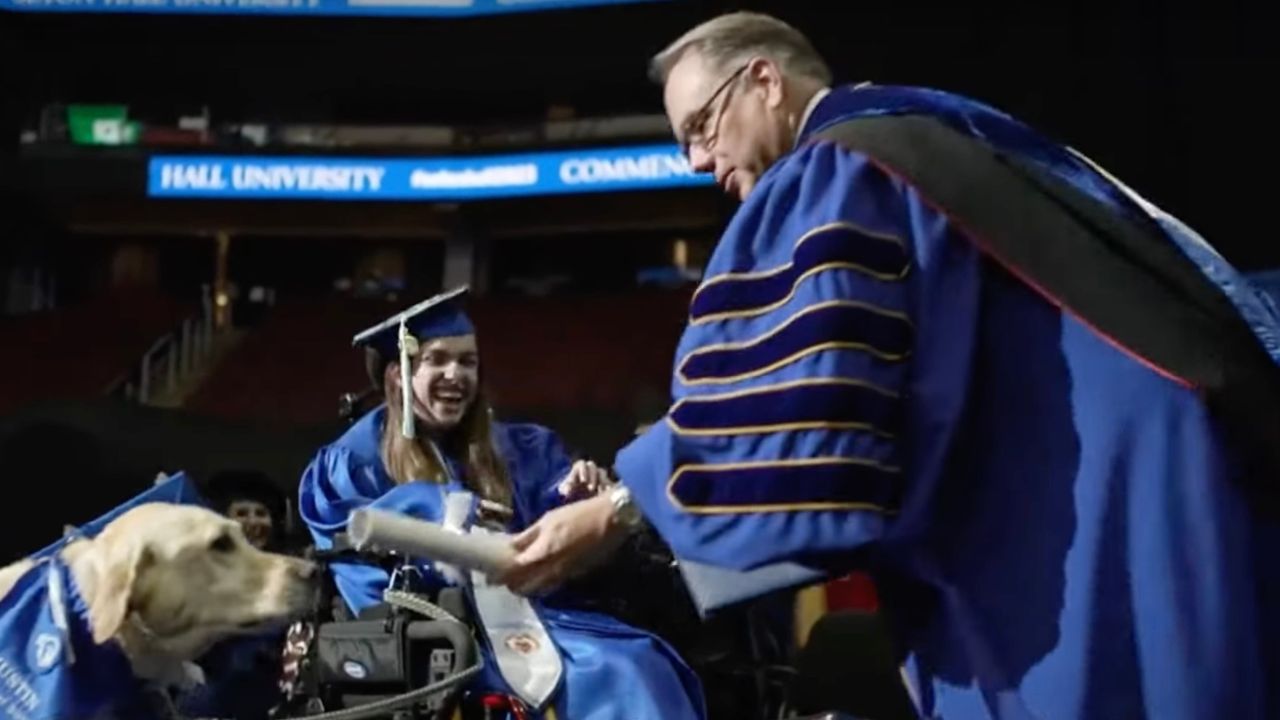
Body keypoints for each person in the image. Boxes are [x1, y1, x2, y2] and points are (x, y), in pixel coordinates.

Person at [499, 11, 1280, 720]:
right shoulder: (943, 136)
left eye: (702, 126)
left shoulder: (839, 170)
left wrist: (622, 505)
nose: (700, 160)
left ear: (766, 80)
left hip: (1078, 518)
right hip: (1170, 466)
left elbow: (797, 408)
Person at [298, 287, 705, 720]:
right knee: (617, 674)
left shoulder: (519, 446)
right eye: (437, 359)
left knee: (644, 662)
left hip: (538, 620)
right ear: (398, 375)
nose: (456, 374)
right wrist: (432, 505)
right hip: (438, 635)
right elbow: (353, 543)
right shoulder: (352, 460)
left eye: (467, 361)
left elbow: (555, 548)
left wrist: (579, 503)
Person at [180, 470, 292, 720]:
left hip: (267, 692)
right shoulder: (202, 574)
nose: (253, 522)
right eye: (242, 513)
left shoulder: (287, 571)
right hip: (212, 694)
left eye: (261, 514)